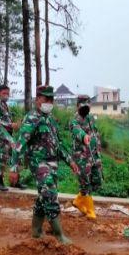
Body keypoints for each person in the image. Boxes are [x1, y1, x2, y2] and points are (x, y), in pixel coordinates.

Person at [9, 85, 80, 244]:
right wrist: (14, 168)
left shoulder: (51, 120)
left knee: (43, 197)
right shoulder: (31, 118)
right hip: (39, 164)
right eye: (46, 99)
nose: (49, 102)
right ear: (38, 99)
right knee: (49, 194)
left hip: (53, 164)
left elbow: (59, 144)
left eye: (51, 99)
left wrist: (70, 161)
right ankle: (59, 235)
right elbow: (20, 143)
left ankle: (36, 231)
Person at [70, 95, 103, 219]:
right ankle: (90, 211)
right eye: (83, 105)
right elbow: (77, 131)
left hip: (94, 155)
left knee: (97, 181)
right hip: (82, 157)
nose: (85, 107)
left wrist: (98, 147)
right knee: (86, 183)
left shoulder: (91, 118)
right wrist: (84, 136)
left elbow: (95, 132)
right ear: (77, 106)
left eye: (87, 104)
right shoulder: (74, 120)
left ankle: (78, 200)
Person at [0, 85, 26, 191]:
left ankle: (15, 181)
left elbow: (6, 121)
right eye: (4, 93)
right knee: (2, 159)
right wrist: (10, 125)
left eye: (8, 93)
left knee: (16, 156)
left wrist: (15, 126)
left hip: (9, 136)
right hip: (0, 137)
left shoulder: (5, 105)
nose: (6, 95)